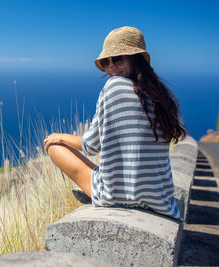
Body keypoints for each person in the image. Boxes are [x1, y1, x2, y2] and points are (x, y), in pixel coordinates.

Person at [43, 26, 188, 221]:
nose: (110, 66)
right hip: (160, 200)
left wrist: (60, 137)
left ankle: (94, 192)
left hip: (118, 197)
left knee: (53, 146)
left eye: (117, 59)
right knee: (100, 168)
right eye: (106, 61)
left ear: (135, 59)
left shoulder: (113, 86)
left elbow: (91, 146)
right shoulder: (159, 96)